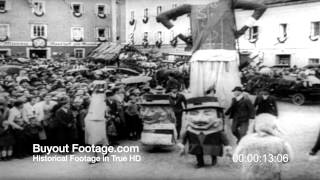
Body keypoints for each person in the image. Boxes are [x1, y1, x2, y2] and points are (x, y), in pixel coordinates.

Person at [233, 113, 293, 180]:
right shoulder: (280, 142)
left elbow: (236, 158)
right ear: (274, 127)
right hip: (272, 176)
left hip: (250, 176)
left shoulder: (245, 140)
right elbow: (288, 159)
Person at [178, 97, 232, 168]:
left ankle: (214, 160)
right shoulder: (190, 130)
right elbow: (184, 137)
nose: (199, 119)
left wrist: (227, 146)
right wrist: (182, 146)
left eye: (207, 113)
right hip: (196, 143)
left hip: (213, 140)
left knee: (213, 150)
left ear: (217, 115)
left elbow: (223, 136)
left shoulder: (217, 130)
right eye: (194, 114)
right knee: (197, 151)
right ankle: (200, 162)